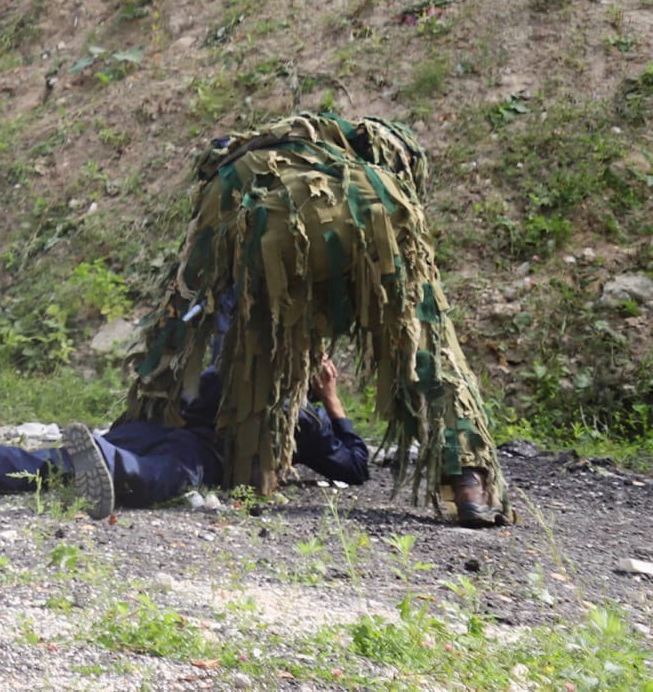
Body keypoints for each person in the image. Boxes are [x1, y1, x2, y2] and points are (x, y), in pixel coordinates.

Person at [123, 113, 506, 528]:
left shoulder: (237, 172)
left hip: (267, 222)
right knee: (425, 341)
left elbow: (183, 313)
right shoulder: (371, 172)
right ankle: (469, 480)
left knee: (260, 338)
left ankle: (247, 469)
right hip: (377, 211)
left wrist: (148, 409)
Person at [0, 357, 370, 519]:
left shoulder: (214, 362)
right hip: (192, 451)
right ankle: (108, 461)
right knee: (162, 476)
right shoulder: (293, 415)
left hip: (143, 426)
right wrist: (330, 399)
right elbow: (354, 467)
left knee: (49, 464)